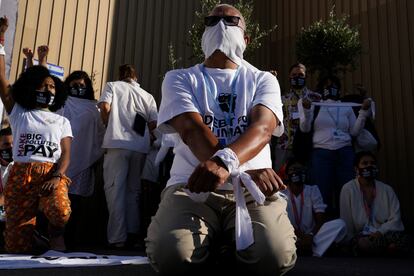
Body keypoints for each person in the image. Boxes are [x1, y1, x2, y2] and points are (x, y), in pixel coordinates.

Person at [145, 4, 296, 275]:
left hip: (253, 189)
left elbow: (262, 129)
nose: (220, 25)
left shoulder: (263, 79)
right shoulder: (179, 78)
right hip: (192, 185)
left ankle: (223, 246)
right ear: (203, 33)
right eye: (212, 20)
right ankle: (219, 245)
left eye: (230, 20)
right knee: (172, 256)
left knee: (274, 256)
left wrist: (224, 162)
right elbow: (191, 130)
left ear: (246, 39)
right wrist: (231, 164)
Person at [0, 17, 73, 253]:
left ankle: (54, 233)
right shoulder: (20, 112)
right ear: (32, 88)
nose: (48, 89)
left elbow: (66, 155)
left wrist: (57, 176)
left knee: (60, 211)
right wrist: (1, 40)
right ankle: (35, 238)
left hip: (50, 173)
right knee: (15, 247)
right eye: (43, 85)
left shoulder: (62, 120)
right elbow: (1, 81)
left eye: (52, 86)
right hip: (21, 175)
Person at [98, 64, 158, 249]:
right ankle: (133, 234)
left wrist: (109, 123)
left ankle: (117, 238)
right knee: (133, 191)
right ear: (136, 77)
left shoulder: (112, 86)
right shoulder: (147, 96)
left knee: (115, 189)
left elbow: (104, 106)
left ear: (121, 75)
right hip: (139, 147)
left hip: (117, 143)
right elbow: (154, 124)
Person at [298, 75, 371, 216]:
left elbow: (355, 131)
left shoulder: (346, 107)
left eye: (334, 85)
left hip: (345, 152)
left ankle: (347, 225)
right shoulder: (316, 105)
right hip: (321, 154)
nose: (330, 88)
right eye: (327, 85)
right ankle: (323, 228)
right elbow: (305, 128)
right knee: (321, 191)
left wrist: (363, 113)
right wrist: (307, 111)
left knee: (346, 190)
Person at [340, 151, 410, 256]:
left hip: (383, 234)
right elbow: (346, 221)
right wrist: (350, 241)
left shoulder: (387, 189)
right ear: (356, 169)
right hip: (361, 236)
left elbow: (396, 219)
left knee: (404, 239)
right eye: (365, 163)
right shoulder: (348, 189)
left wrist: (379, 232)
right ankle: (387, 250)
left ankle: (381, 250)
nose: (369, 166)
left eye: (372, 163)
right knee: (363, 244)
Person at [281, 158, 346, 257]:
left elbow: (320, 218)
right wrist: (302, 237)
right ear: (286, 175)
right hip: (291, 235)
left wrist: (310, 235)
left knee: (340, 224)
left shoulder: (313, 190)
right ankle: (313, 248)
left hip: (312, 235)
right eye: (293, 169)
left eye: (300, 169)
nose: (297, 172)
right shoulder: (281, 194)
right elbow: (283, 221)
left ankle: (300, 248)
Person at [272, 63, 319, 172]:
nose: (297, 77)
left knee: (306, 178)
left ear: (306, 76)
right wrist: (271, 80)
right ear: (289, 77)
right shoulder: (281, 99)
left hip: (307, 146)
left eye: (300, 75)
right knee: (281, 178)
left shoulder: (315, 98)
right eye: (294, 75)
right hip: (285, 146)